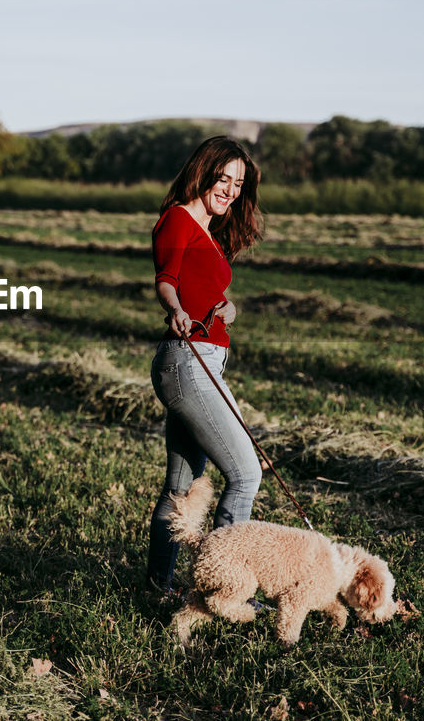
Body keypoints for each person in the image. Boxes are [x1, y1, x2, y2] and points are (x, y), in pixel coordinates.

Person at [146, 135, 265, 596]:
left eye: (239, 184)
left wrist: (224, 307)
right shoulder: (178, 220)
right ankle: (225, 591)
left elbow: (202, 288)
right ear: (205, 170)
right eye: (225, 178)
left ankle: (159, 587)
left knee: (181, 486)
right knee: (246, 474)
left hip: (201, 362)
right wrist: (175, 308)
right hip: (187, 364)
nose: (233, 190)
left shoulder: (208, 233)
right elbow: (167, 281)